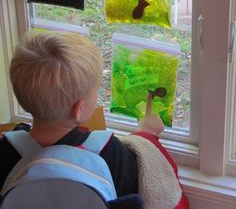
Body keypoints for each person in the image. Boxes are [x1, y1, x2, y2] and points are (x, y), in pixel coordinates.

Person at [0, 30, 163, 196]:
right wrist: (147, 134)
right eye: (95, 91)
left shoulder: (6, 150)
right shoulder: (109, 152)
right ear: (79, 109)